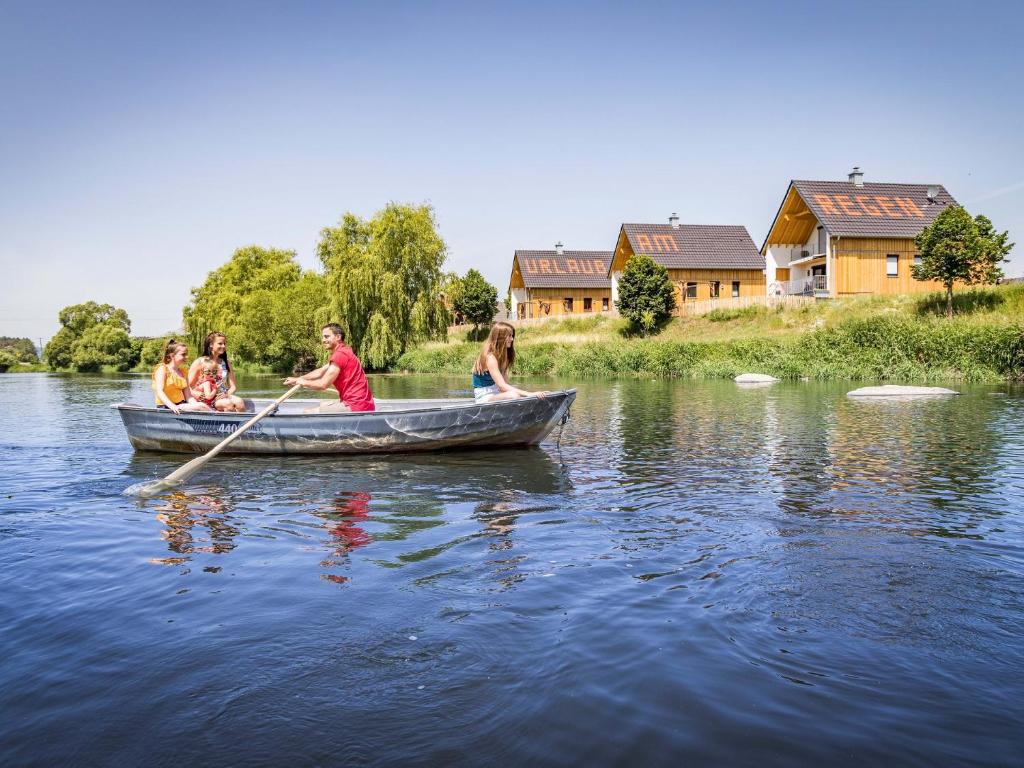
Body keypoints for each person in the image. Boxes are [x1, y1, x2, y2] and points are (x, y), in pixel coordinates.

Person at [283, 323, 375, 413]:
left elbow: (323, 384)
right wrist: (298, 379)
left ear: (338, 337)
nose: (323, 340)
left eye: (327, 337)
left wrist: (303, 382)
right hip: (363, 404)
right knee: (323, 404)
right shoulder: (344, 351)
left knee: (308, 412)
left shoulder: (340, 355)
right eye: (323, 337)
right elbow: (320, 372)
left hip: (356, 406)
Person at [471, 321, 545, 403]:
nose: (512, 339)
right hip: (484, 396)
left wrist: (530, 395)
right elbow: (502, 386)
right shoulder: (490, 357)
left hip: (497, 392)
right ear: (500, 337)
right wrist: (529, 394)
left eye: (512, 336)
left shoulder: (503, 357)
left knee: (515, 394)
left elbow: (505, 384)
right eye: (509, 336)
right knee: (514, 395)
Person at [188, 331, 247, 412]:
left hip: (223, 395)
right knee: (228, 404)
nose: (223, 346)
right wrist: (197, 394)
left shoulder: (226, 363)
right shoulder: (200, 362)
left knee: (239, 402)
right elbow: (188, 386)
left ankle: (240, 424)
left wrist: (226, 394)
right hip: (208, 398)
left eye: (224, 344)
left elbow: (233, 387)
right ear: (211, 344)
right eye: (220, 343)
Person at [152, 339, 215, 414]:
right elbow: (160, 391)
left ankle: (217, 418)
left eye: (186, 354)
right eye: (183, 354)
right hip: (167, 407)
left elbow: (188, 396)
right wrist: (172, 406)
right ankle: (219, 418)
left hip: (181, 405)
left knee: (201, 405)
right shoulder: (162, 369)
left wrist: (196, 404)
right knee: (201, 406)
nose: (187, 357)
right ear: (172, 355)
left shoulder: (183, 372)